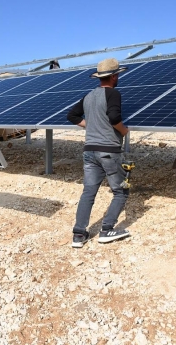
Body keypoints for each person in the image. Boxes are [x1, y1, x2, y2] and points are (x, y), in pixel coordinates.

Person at [67, 58, 131, 248]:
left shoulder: (88, 96)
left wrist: (90, 125)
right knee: (121, 191)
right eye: (117, 75)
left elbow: (71, 115)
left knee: (88, 192)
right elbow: (114, 117)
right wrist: (123, 130)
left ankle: (79, 234)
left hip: (89, 151)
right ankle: (107, 229)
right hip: (109, 151)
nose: (118, 77)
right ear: (113, 77)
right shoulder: (113, 94)